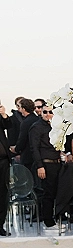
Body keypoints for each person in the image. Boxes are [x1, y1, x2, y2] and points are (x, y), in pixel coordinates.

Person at [29, 103, 62, 229]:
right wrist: (39, 166)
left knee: (55, 192)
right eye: (45, 112)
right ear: (41, 113)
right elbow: (34, 148)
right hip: (45, 164)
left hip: (57, 164)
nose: (48, 114)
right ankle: (48, 221)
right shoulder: (36, 127)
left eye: (50, 112)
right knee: (47, 194)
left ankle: (55, 218)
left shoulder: (57, 126)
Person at [0, 101, 16, 236]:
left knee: (3, 194)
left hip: (3, 162)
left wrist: (4, 114)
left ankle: (0, 225)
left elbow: (8, 125)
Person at [10, 98, 37, 170]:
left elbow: (22, 139)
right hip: (37, 155)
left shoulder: (25, 122)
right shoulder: (38, 119)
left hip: (27, 156)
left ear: (24, 109)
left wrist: (16, 149)